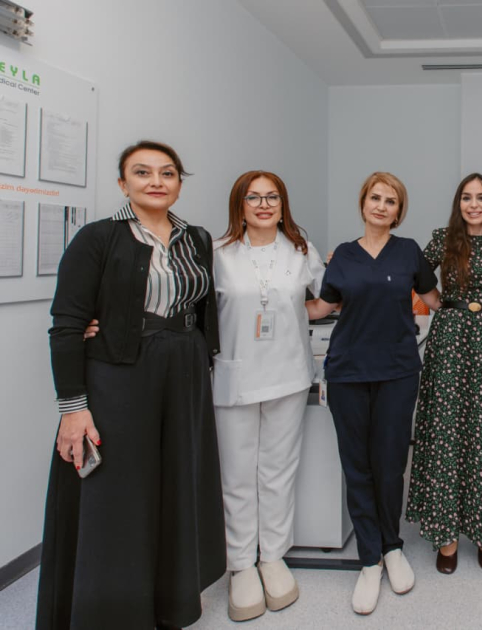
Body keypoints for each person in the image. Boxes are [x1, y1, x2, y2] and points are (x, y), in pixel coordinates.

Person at [39, 141, 225, 629]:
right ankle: (114, 613)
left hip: (184, 376)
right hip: (120, 378)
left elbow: (201, 308)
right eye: (142, 172)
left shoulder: (196, 238)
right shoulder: (98, 238)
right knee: (118, 494)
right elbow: (66, 325)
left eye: (167, 172)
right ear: (123, 183)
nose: (156, 181)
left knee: (176, 485)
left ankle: (170, 604)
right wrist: (73, 408)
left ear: (179, 183)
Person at [310, 172, 440, 616]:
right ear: (363, 203)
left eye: (391, 201)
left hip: (398, 371)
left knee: (389, 464)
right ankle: (370, 558)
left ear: (399, 211)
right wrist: (266, 300)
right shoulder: (342, 256)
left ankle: (392, 546)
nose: (382, 206)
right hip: (348, 371)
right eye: (375, 198)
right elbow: (323, 306)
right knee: (357, 465)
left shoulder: (409, 252)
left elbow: (435, 300)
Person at [211, 171, 325, 621]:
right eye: (253, 197)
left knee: (278, 469)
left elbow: (325, 300)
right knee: (237, 474)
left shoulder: (301, 250)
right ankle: (241, 564)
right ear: (239, 205)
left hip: (289, 374)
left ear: (283, 204)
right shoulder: (217, 253)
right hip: (235, 377)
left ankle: (273, 557)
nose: (263, 204)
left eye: (272, 197)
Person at [406, 172, 482, 574]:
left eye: (481, 197)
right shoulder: (444, 239)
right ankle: (447, 533)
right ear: (458, 203)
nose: (474, 204)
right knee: (446, 433)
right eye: (466, 197)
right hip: (450, 340)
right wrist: (436, 303)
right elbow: (412, 274)